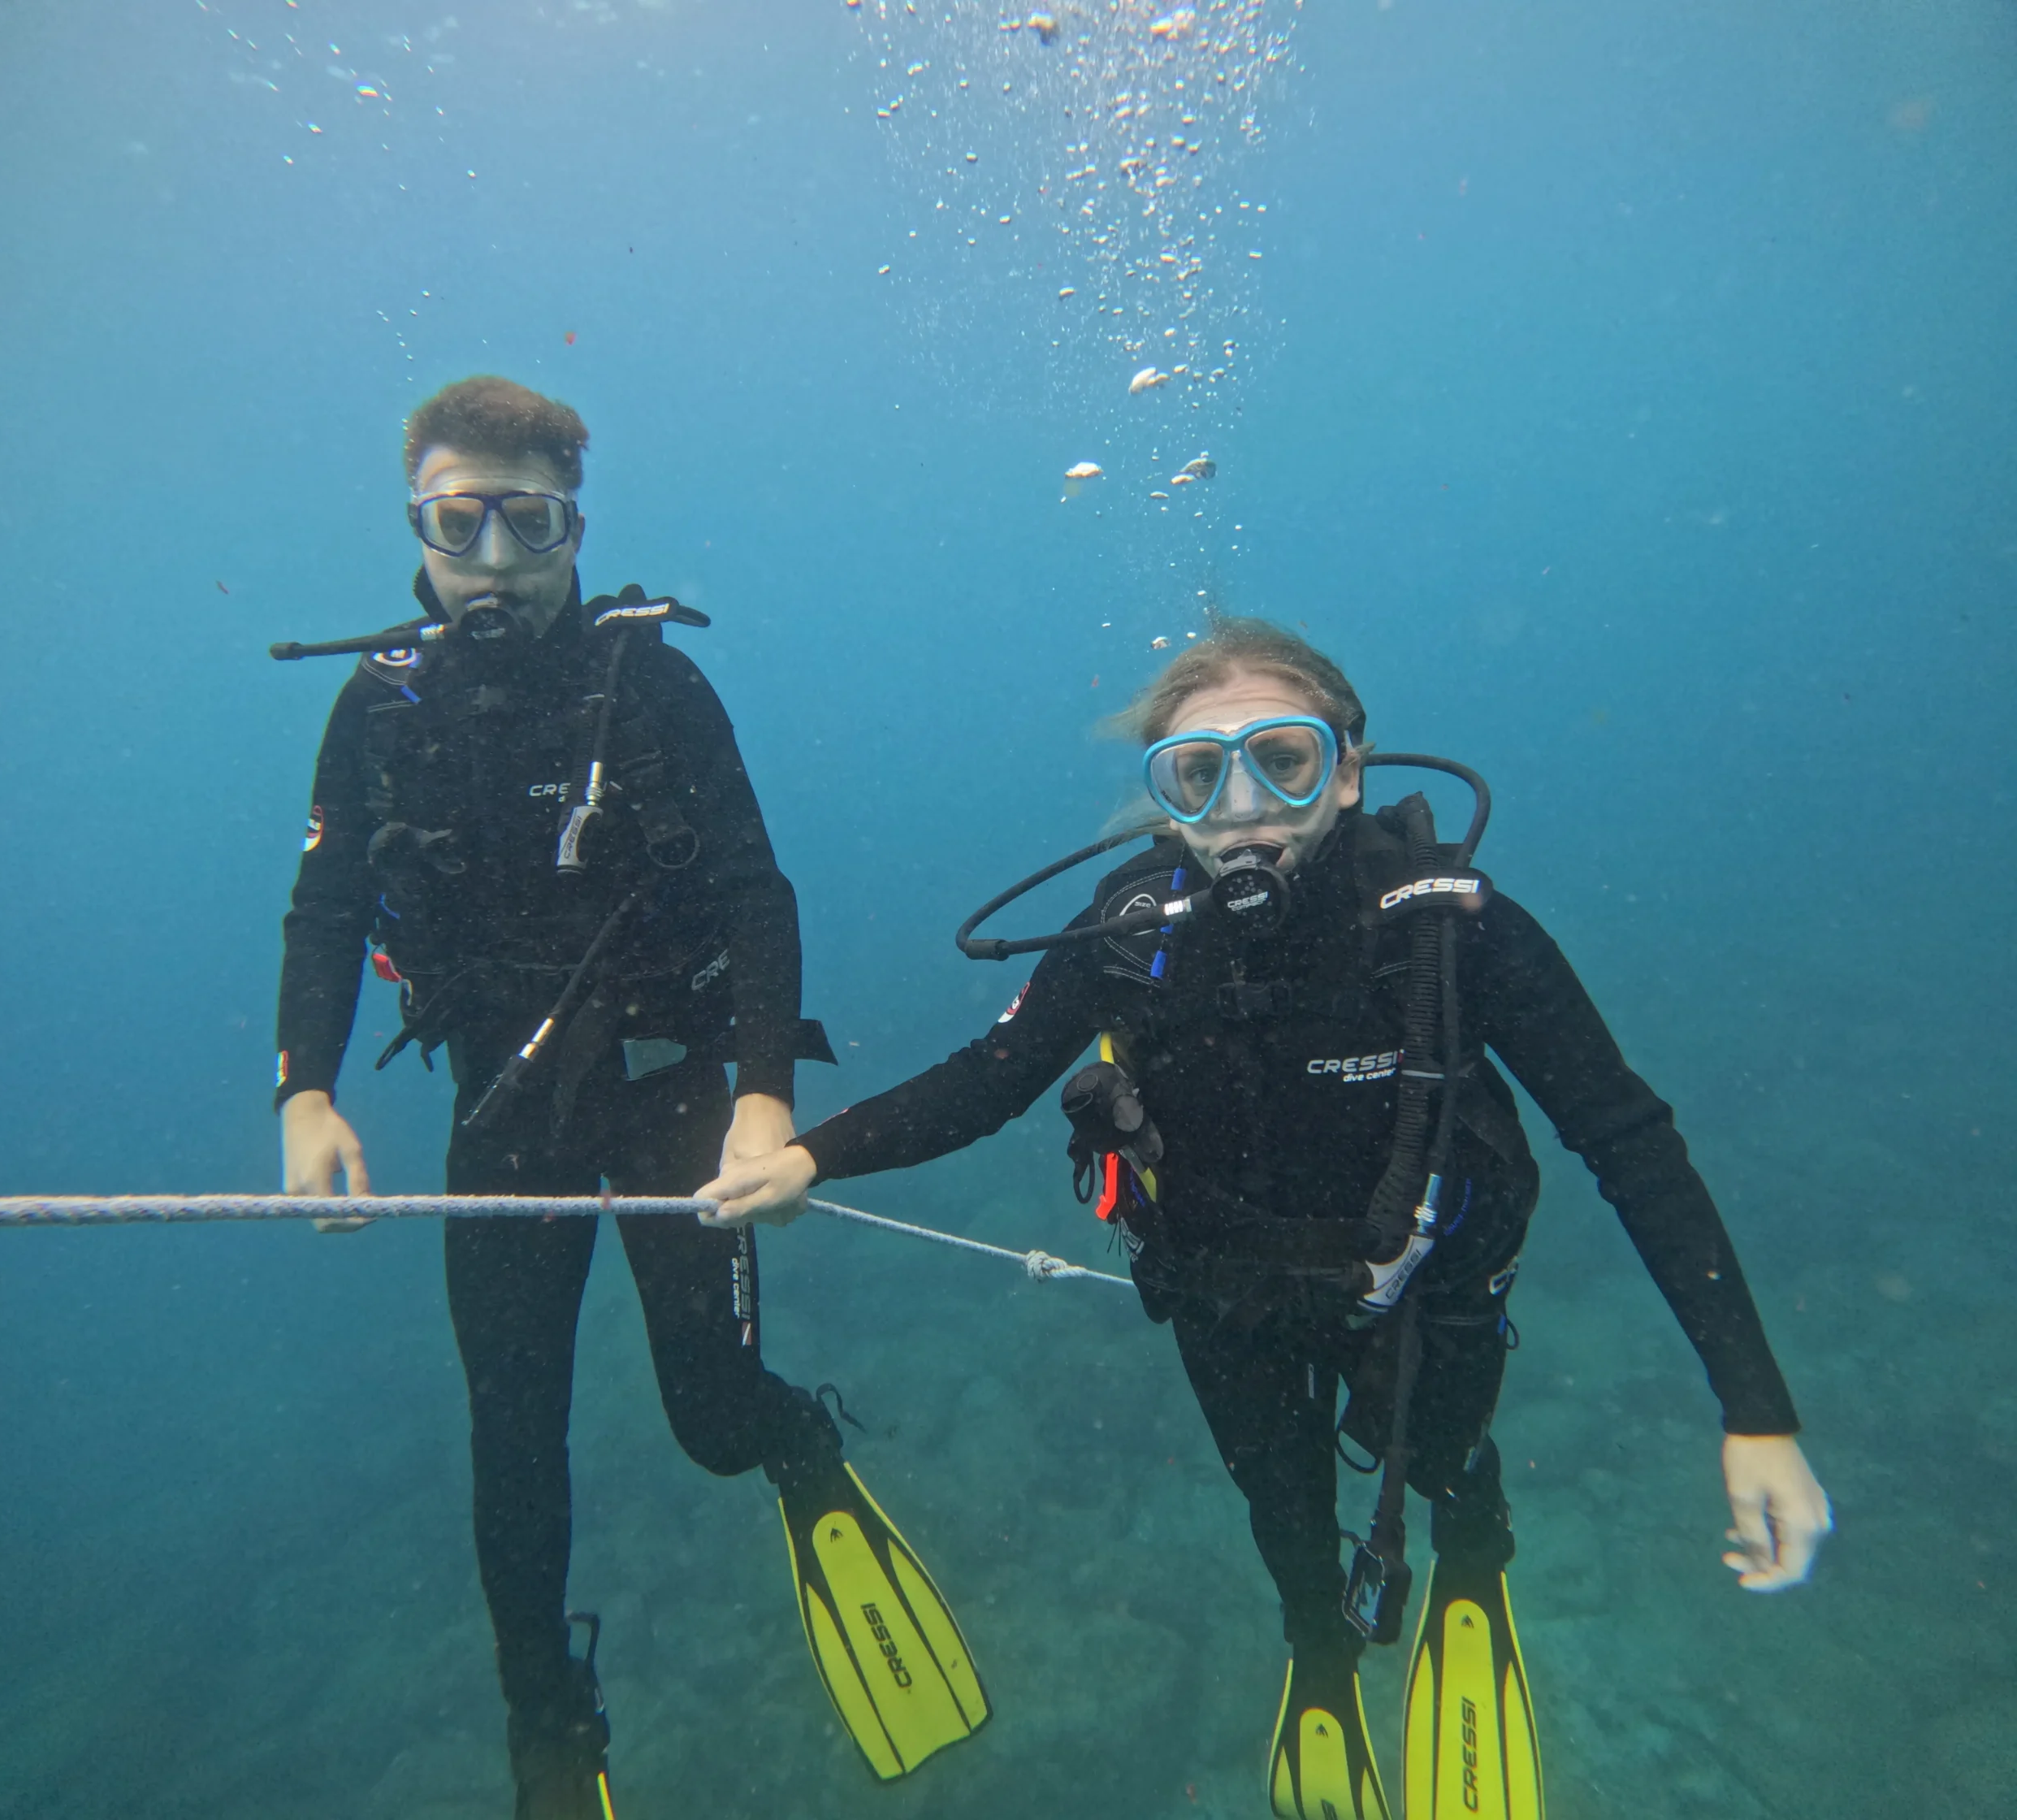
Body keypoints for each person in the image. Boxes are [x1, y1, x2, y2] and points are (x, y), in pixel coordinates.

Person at [699, 616, 1833, 1820]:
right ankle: (1320, 1653)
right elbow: (987, 1082)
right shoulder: (1129, 937)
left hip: (1427, 1281)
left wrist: (1756, 1413)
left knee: (1440, 1455)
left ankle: (1472, 1536)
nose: (1243, 802)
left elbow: (1629, 1142)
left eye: (1282, 761)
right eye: (1199, 772)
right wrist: (813, 1156)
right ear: (1170, 799)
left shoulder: (1451, 927)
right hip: (1223, 1287)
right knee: (1282, 1509)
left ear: (1347, 770)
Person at [274, 376, 987, 1819]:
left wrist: (765, 1098)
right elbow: (327, 904)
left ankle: (797, 1447)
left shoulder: (654, 685)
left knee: (708, 1414)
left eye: (522, 522)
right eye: (453, 520)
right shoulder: (378, 709)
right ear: (414, 523)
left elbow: (755, 890)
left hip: (676, 1099)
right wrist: (307, 1093)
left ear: (574, 526)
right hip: (504, 1125)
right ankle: (547, 1720)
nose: (489, 558)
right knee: (513, 1436)